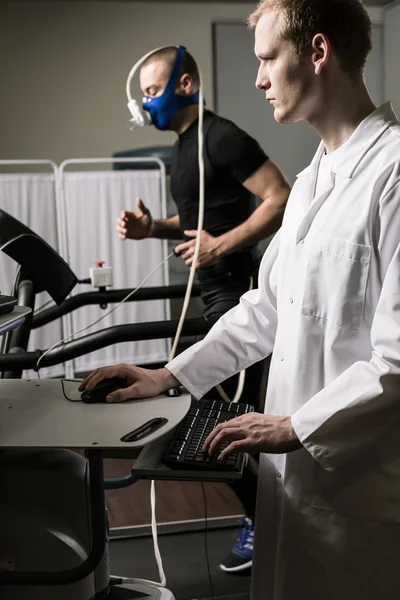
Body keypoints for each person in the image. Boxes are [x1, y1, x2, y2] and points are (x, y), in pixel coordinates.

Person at [79, 0, 400, 597]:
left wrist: (297, 427)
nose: (258, 79)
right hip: (292, 486)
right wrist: (168, 375)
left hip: (354, 491)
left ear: (319, 52)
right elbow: (266, 309)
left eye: (267, 60)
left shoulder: (394, 175)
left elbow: (398, 360)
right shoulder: (310, 183)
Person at [116, 45, 291, 573]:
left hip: (236, 292)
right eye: (144, 94)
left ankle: (266, 522)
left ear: (185, 85)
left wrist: (222, 246)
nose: (146, 102)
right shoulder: (185, 146)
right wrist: (157, 229)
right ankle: (266, 518)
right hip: (210, 291)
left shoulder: (223, 136)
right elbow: (200, 214)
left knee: (228, 418)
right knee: (215, 415)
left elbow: (278, 196)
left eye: (152, 90)